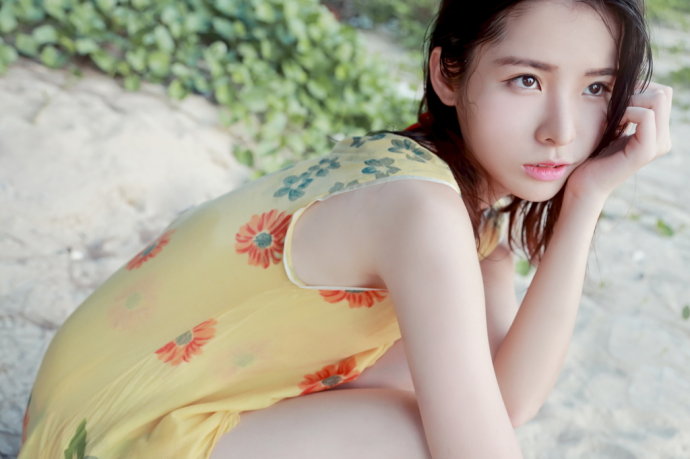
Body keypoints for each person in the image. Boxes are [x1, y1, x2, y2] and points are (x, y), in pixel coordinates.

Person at [19, 0, 672, 457]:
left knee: (435, 392)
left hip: (95, 410)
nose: (561, 129)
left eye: (595, 89)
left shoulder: (465, 217)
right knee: (415, 435)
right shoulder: (421, 210)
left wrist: (585, 199)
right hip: (111, 432)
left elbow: (506, 402)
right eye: (526, 79)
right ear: (447, 73)